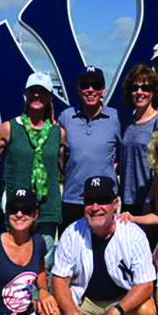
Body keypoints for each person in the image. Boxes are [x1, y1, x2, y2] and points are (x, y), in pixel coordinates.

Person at [41, 176, 157, 315]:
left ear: (115, 204)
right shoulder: (72, 233)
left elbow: (145, 284)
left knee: (147, 311)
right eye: (89, 201)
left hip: (121, 302)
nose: (95, 207)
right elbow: (60, 280)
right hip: (86, 301)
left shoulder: (133, 234)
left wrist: (116, 312)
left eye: (102, 200)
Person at [0, 72, 65, 275]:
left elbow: (65, 167)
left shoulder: (58, 133)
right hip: (18, 207)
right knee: (15, 258)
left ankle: (39, 301)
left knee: (45, 261)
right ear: (26, 95)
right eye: (33, 92)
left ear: (50, 96)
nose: (37, 96)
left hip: (48, 207)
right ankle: (15, 303)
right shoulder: (9, 128)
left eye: (42, 92)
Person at [58, 66, 121, 234]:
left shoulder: (115, 118)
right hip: (73, 198)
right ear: (78, 89)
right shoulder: (65, 117)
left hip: (104, 201)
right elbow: (60, 156)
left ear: (103, 90)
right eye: (85, 85)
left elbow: (123, 155)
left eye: (96, 85)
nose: (90, 90)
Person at [119, 64, 158, 219]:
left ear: (154, 92)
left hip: (150, 202)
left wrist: (152, 198)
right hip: (127, 201)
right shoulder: (128, 123)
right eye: (135, 87)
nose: (139, 92)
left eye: (146, 88)